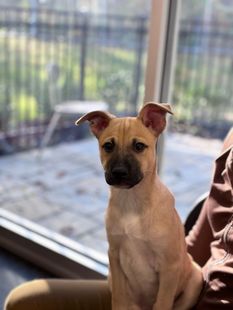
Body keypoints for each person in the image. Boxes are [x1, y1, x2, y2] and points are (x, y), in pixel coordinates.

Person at [4, 128, 233, 310]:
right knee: (23, 299)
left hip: (186, 298)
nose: (121, 165)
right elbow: (195, 242)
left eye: (138, 147)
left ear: (157, 125)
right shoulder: (230, 143)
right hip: (139, 294)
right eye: (109, 147)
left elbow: (175, 264)